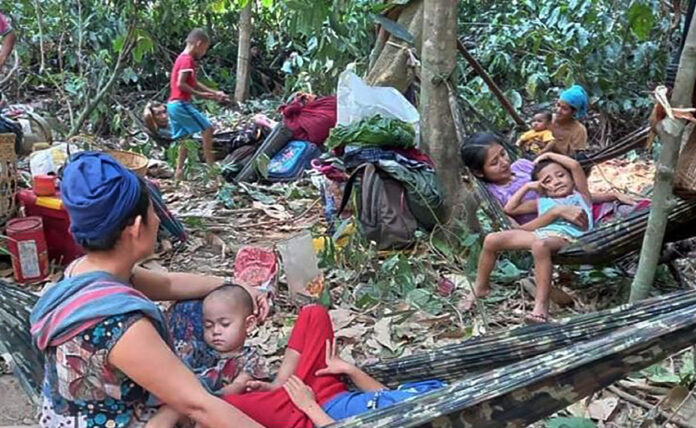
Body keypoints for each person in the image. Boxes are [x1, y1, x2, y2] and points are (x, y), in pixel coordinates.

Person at [29, 152, 266, 428]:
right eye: (154, 212)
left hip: (75, 415)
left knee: (191, 308)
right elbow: (200, 406)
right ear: (137, 226)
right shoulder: (121, 325)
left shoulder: (84, 271)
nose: (158, 220)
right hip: (110, 421)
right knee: (191, 403)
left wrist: (234, 284)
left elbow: (168, 284)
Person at [217, 305, 444, 427]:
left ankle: (280, 395)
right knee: (313, 314)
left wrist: (308, 406)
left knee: (228, 404)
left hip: (310, 416)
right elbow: (386, 395)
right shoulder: (440, 390)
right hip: (331, 391)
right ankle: (279, 385)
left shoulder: (444, 417)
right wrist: (348, 369)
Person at [474, 153, 594, 324]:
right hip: (540, 234)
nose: (556, 181)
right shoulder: (543, 202)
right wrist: (528, 187)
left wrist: (548, 154)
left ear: (572, 178)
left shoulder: (581, 196)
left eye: (561, 175)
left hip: (569, 238)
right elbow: (510, 209)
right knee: (492, 239)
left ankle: (541, 307)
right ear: (543, 187)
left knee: (540, 245)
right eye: (548, 181)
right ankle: (481, 288)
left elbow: (574, 165)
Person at [148, 284, 268, 427]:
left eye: (224, 324)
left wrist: (208, 400)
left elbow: (238, 385)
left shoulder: (250, 358)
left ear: (248, 324)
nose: (216, 331)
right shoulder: (199, 350)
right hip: (185, 400)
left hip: (217, 405)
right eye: (208, 325)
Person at [460, 132, 638, 228]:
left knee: (635, 209)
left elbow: (568, 192)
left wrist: (613, 195)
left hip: (581, 208)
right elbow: (513, 227)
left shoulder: (522, 166)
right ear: (479, 172)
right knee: (620, 226)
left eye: (503, 154)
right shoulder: (493, 194)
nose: (504, 162)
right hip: (555, 230)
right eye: (494, 162)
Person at [168, 28, 229, 180]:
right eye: (205, 48)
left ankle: (179, 172)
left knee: (185, 139)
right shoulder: (187, 59)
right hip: (180, 104)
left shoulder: (182, 58)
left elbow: (193, 82)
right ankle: (211, 168)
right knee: (208, 129)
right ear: (199, 43)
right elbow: (181, 84)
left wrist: (214, 93)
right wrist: (202, 95)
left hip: (173, 105)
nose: (204, 52)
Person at [541, 85, 589, 156]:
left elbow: (575, 159)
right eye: (558, 105)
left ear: (573, 112)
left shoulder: (579, 130)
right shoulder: (547, 120)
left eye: (564, 109)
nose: (558, 110)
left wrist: (553, 148)